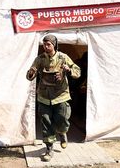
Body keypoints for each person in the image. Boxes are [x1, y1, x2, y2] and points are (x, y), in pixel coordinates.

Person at [26, 34, 81, 162]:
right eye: (44, 44)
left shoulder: (63, 57)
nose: (46, 46)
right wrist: (31, 72)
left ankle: (62, 132)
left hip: (61, 96)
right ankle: (49, 149)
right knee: (46, 123)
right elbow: (30, 75)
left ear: (54, 45)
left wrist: (69, 70)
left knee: (62, 119)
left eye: (48, 44)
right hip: (44, 97)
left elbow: (77, 71)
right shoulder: (40, 59)